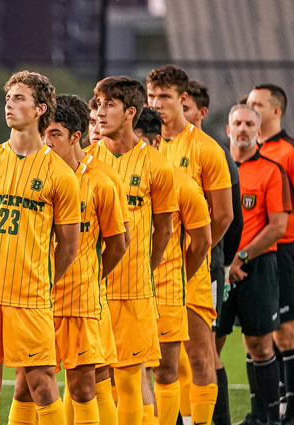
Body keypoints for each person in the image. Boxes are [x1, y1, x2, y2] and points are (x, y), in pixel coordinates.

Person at [0, 70, 80, 425]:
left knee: (42, 384)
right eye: (8, 98)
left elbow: (69, 246)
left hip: (31, 297)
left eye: (20, 98)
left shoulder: (60, 175)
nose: (10, 104)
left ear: (41, 109)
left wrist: (38, 278)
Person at [27, 93, 130, 425]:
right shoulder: (35, 175)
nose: (47, 142)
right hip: (37, 299)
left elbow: (118, 243)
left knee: (85, 387)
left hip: (81, 301)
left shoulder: (102, 180)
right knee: (26, 386)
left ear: (76, 136)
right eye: (43, 134)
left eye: (54, 134)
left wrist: (93, 278)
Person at [86, 75, 178, 425]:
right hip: (91, 291)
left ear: (130, 113)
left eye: (109, 104)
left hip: (134, 293)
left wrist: (144, 270)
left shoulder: (157, 165)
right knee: (90, 381)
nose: (101, 112)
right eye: (98, 104)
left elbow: (165, 230)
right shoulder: (87, 161)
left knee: (129, 381)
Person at [146, 65, 233, 425]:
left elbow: (223, 215)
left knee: (200, 356)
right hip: (148, 270)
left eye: (164, 97)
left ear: (184, 99)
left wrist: (192, 257)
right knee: (157, 361)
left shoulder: (207, 149)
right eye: (151, 96)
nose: (156, 104)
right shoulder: (144, 146)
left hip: (193, 268)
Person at [246, 84, 294, 425]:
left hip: (285, 254)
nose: (252, 109)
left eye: (258, 104)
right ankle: (260, 415)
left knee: (287, 335)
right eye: (248, 103)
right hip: (253, 256)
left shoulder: (292, 151)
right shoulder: (247, 151)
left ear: (277, 111)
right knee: (256, 335)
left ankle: (291, 416)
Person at [216, 103, 291, 425]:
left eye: (249, 123)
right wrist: (226, 260)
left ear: (259, 132)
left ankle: (266, 418)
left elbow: (278, 225)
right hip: (220, 267)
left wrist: (241, 256)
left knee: (260, 346)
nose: (243, 129)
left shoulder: (272, 170)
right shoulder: (216, 167)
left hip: (256, 267)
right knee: (208, 347)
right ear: (228, 129)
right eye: (237, 123)